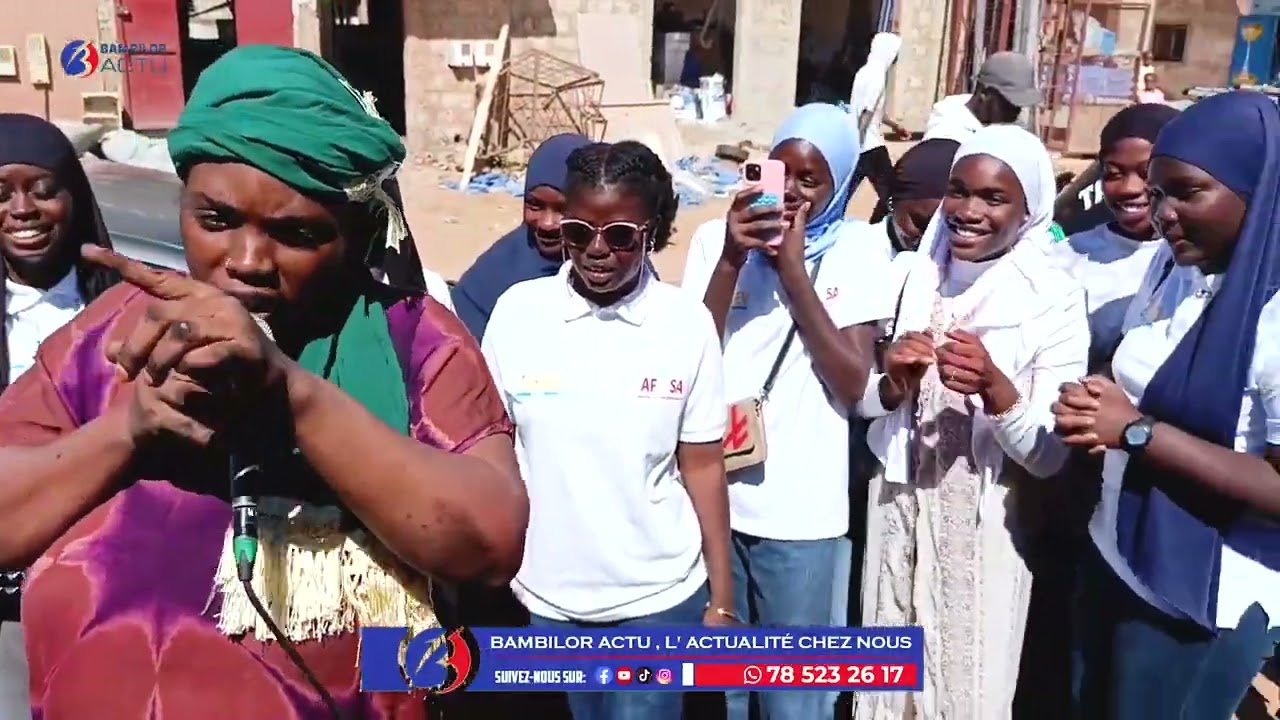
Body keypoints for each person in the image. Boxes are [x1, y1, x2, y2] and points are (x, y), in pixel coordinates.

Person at [0, 45, 528, 719]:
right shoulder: (110, 335)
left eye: (297, 233)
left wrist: (293, 394)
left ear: (358, 233)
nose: (247, 262)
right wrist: (127, 430)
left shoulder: (415, 342)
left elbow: (488, 545)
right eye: (215, 221)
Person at [482, 140, 731, 720]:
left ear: (653, 232)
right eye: (577, 232)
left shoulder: (685, 325)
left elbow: (702, 465)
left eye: (620, 235)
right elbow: (490, 449)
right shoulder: (519, 313)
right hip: (540, 602)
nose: (597, 250)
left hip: (657, 602)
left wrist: (721, 598)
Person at [1056, 90, 1280, 718]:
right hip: (1121, 551)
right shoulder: (1178, 269)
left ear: (1257, 188)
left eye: (1188, 192)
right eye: (1157, 195)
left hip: (1203, 594)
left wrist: (1136, 433)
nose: (1163, 214)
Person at [854, 124, 1090, 719]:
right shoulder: (911, 275)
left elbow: (1049, 455)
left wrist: (996, 390)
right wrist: (891, 384)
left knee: (965, 690)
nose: (968, 211)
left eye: (993, 198)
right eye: (959, 191)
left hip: (983, 529)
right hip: (898, 509)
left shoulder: (1053, 297)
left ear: (1029, 211)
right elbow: (863, 403)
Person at [682, 103, 894, 720]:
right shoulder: (714, 241)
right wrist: (730, 258)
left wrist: (794, 273)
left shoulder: (857, 248)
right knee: (723, 684)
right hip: (716, 499)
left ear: (840, 186)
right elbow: (690, 350)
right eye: (782, 173)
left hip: (800, 514)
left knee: (792, 694)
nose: (795, 192)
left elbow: (855, 381)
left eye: (812, 179)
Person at [0, 113, 121, 719]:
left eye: (43, 190)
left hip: (106, 586)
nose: (23, 209)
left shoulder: (120, 309)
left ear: (74, 196)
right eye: (2, 193)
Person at [1051, 103, 1180, 371]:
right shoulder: (1066, 256)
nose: (1129, 188)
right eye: (1113, 174)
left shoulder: (1198, 263)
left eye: (1146, 173)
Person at [451, 133, 591, 341]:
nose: (546, 223)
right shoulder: (492, 277)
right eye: (535, 205)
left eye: (563, 209)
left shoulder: (621, 271)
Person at [924, 52, 1041, 143]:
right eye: (1008, 105)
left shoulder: (1009, 125)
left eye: (1018, 107)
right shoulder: (948, 132)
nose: (1015, 114)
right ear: (984, 94)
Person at [849, 33, 905, 210]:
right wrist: (857, 145)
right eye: (895, 53)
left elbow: (875, 112)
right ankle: (887, 228)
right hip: (869, 145)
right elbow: (866, 113)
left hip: (861, 143)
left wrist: (895, 126)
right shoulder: (877, 76)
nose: (896, 58)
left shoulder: (864, 71)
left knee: (846, 192)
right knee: (891, 193)